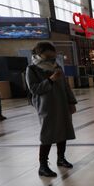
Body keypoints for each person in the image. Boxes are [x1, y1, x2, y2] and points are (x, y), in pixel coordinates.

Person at [26, 42, 77, 178]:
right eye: (47, 53)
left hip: (62, 104)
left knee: (63, 131)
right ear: (39, 54)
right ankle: (43, 166)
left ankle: (61, 158)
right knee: (47, 135)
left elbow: (66, 86)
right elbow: (34, 89)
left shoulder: (56, 66)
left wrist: (71, 102)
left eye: (52, 53)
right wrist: (51, 80)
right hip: (46, 106)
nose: (51, 56)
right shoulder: (32, 69)